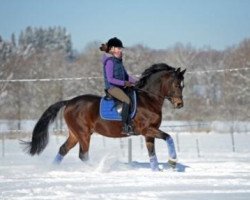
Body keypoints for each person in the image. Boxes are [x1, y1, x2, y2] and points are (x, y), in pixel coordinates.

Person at [100, 37, 137, 135]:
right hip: (112, 88)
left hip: (120, 87)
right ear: (112, 49)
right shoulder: (109, 62)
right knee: (127, 100)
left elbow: (126, 76)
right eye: (118, 48)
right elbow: (110, 79)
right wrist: (124, 83)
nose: (120, 50)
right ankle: (126, 126)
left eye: (121, 48)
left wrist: (137, 82)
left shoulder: (118, 61)